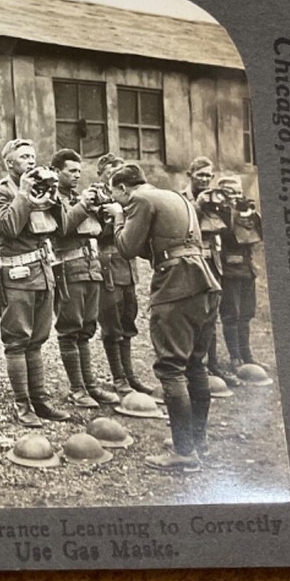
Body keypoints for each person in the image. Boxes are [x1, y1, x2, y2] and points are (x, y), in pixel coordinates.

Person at [107, 163, 221, 472]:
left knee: (171, 368)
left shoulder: (139, 200)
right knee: (196, 365)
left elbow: (127, 248)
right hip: (204, 283)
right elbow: (157, 246)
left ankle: (184, 454)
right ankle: (196, 442)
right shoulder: (175, 197)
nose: (116, 199)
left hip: (176, 286)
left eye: (115, 194)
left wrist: (118, 217)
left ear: (123, 189)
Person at [0, 139, 70, 428]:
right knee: (17, 340)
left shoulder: (40, 188)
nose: (31, 161)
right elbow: (9, 227)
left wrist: (53, 197)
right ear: (9, 163)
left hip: (43, 272)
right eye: (23, 157)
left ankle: (40, 400)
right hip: (16, 275)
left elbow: (63, 227)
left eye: (32, 156)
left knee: (38, 340)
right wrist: (24, 194)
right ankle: (22, 404)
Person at [50, 148, 120, 408]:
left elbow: (98, 231)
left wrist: (100, 209)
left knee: (87, 328)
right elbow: (63, 228)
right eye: (71, 171)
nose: (77, 175)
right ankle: (77, 389)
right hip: (69, 268)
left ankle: (90, 385)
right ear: (57, 172)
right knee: (70, 328)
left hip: (91, 267)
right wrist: (83, 205)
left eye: (79, 171)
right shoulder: (50, 198)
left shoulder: (78, 197)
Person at [95, 154, 153, 395]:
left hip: (128, 267)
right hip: (107, 266)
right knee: (111, 324)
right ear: (101, 175)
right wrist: (117, 218)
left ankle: (130, 375)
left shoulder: (131, 199)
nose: (115, 178)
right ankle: (118, 377)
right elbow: (96, 233)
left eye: (119, 172)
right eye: (110, 173)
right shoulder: (95, 198)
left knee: (128, 320)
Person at [181, 156, 236, 385]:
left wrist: (227, 207)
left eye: (208, 176)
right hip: (192, 264)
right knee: (194, 314)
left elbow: (229, 231)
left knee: (212, 315)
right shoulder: (181, 199)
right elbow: (182, 225)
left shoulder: (215, 198)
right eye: (200, 175)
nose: (204, 179)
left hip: (213, 262)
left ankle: (212, 365)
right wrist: (198, 205)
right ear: (190, 175)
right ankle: (193, 366)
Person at [215, 175, 264, 371]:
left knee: (246, 314)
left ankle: (247, 355)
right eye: (231, 192)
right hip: (229, 270)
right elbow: (229, 235)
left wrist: (251, 213)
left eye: (238, 192)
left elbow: (259, 235)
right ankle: (235, 357)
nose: (236, 196)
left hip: (247, 269)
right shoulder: (218, 212)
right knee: (231, 315)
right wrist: (232, 211)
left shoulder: (245, 212)